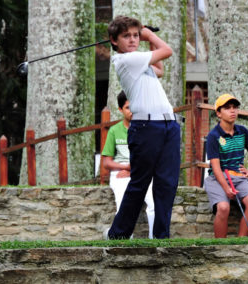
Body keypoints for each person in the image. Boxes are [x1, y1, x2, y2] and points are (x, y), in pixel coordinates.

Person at [106, 16, 181, 239]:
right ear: (114, 40)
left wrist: (146, 39)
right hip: (146, 126)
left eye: (135, 35)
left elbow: (160, 69)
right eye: (126, 36)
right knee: (140, 183)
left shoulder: (140, 61)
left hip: (168, 124)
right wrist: (148, 35)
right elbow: (166, 51)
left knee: (167, 183)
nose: (132, 40)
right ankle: (117, 235)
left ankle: (161, 236)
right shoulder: (125, 60)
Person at [204, 93, 248, 238]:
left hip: (239, 177)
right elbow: (216, 167)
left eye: (235, 108)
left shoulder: (242, 131)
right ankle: (221, 246)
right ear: (218, 113)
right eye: (227, 108)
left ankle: (240, 241)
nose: (233, 111)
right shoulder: (213, 136)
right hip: (217, 179)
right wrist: (226, 188)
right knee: (223, 207)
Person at [102, 91, 155, 239]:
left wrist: (133, 170)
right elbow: (106, 162)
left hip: (143, 171)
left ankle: (155, 240)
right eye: (128, 107)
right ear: (120, 110)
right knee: (123, 203)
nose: (132, 111)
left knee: (154, 204)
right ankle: (124, 238)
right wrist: (126, 168)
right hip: (120, 172)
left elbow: (151, 156)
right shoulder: (114, 131)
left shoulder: (147, 129)